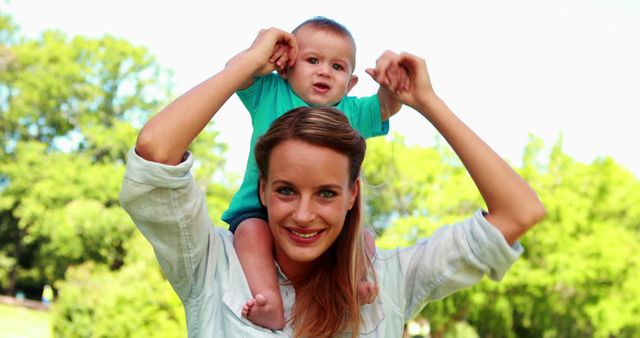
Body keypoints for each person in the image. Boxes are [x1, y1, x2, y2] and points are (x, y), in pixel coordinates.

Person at [119, 29, 545, 337]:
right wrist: (250, 60)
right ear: (263, 188)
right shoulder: (211, 265)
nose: (304, 214)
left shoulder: (389, 282)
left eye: (326, 192)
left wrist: (427, 102)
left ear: (351, 193)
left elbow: (520, 213)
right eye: (286, 190)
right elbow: (156, 153)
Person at [221, 17, 402, 329]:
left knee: (364, 239)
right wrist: (257, 53)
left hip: (325, 215)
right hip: (258, 207)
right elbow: (233, 72)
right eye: (312, 60)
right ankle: (269, 301)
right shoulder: (270, 91)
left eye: (337, 67)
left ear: (351, 83)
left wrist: (393, 83)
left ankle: (358, 281)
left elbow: (386, 106)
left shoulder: (351, 110)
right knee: (250, 236)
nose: (324, 71)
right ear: (286, 67)